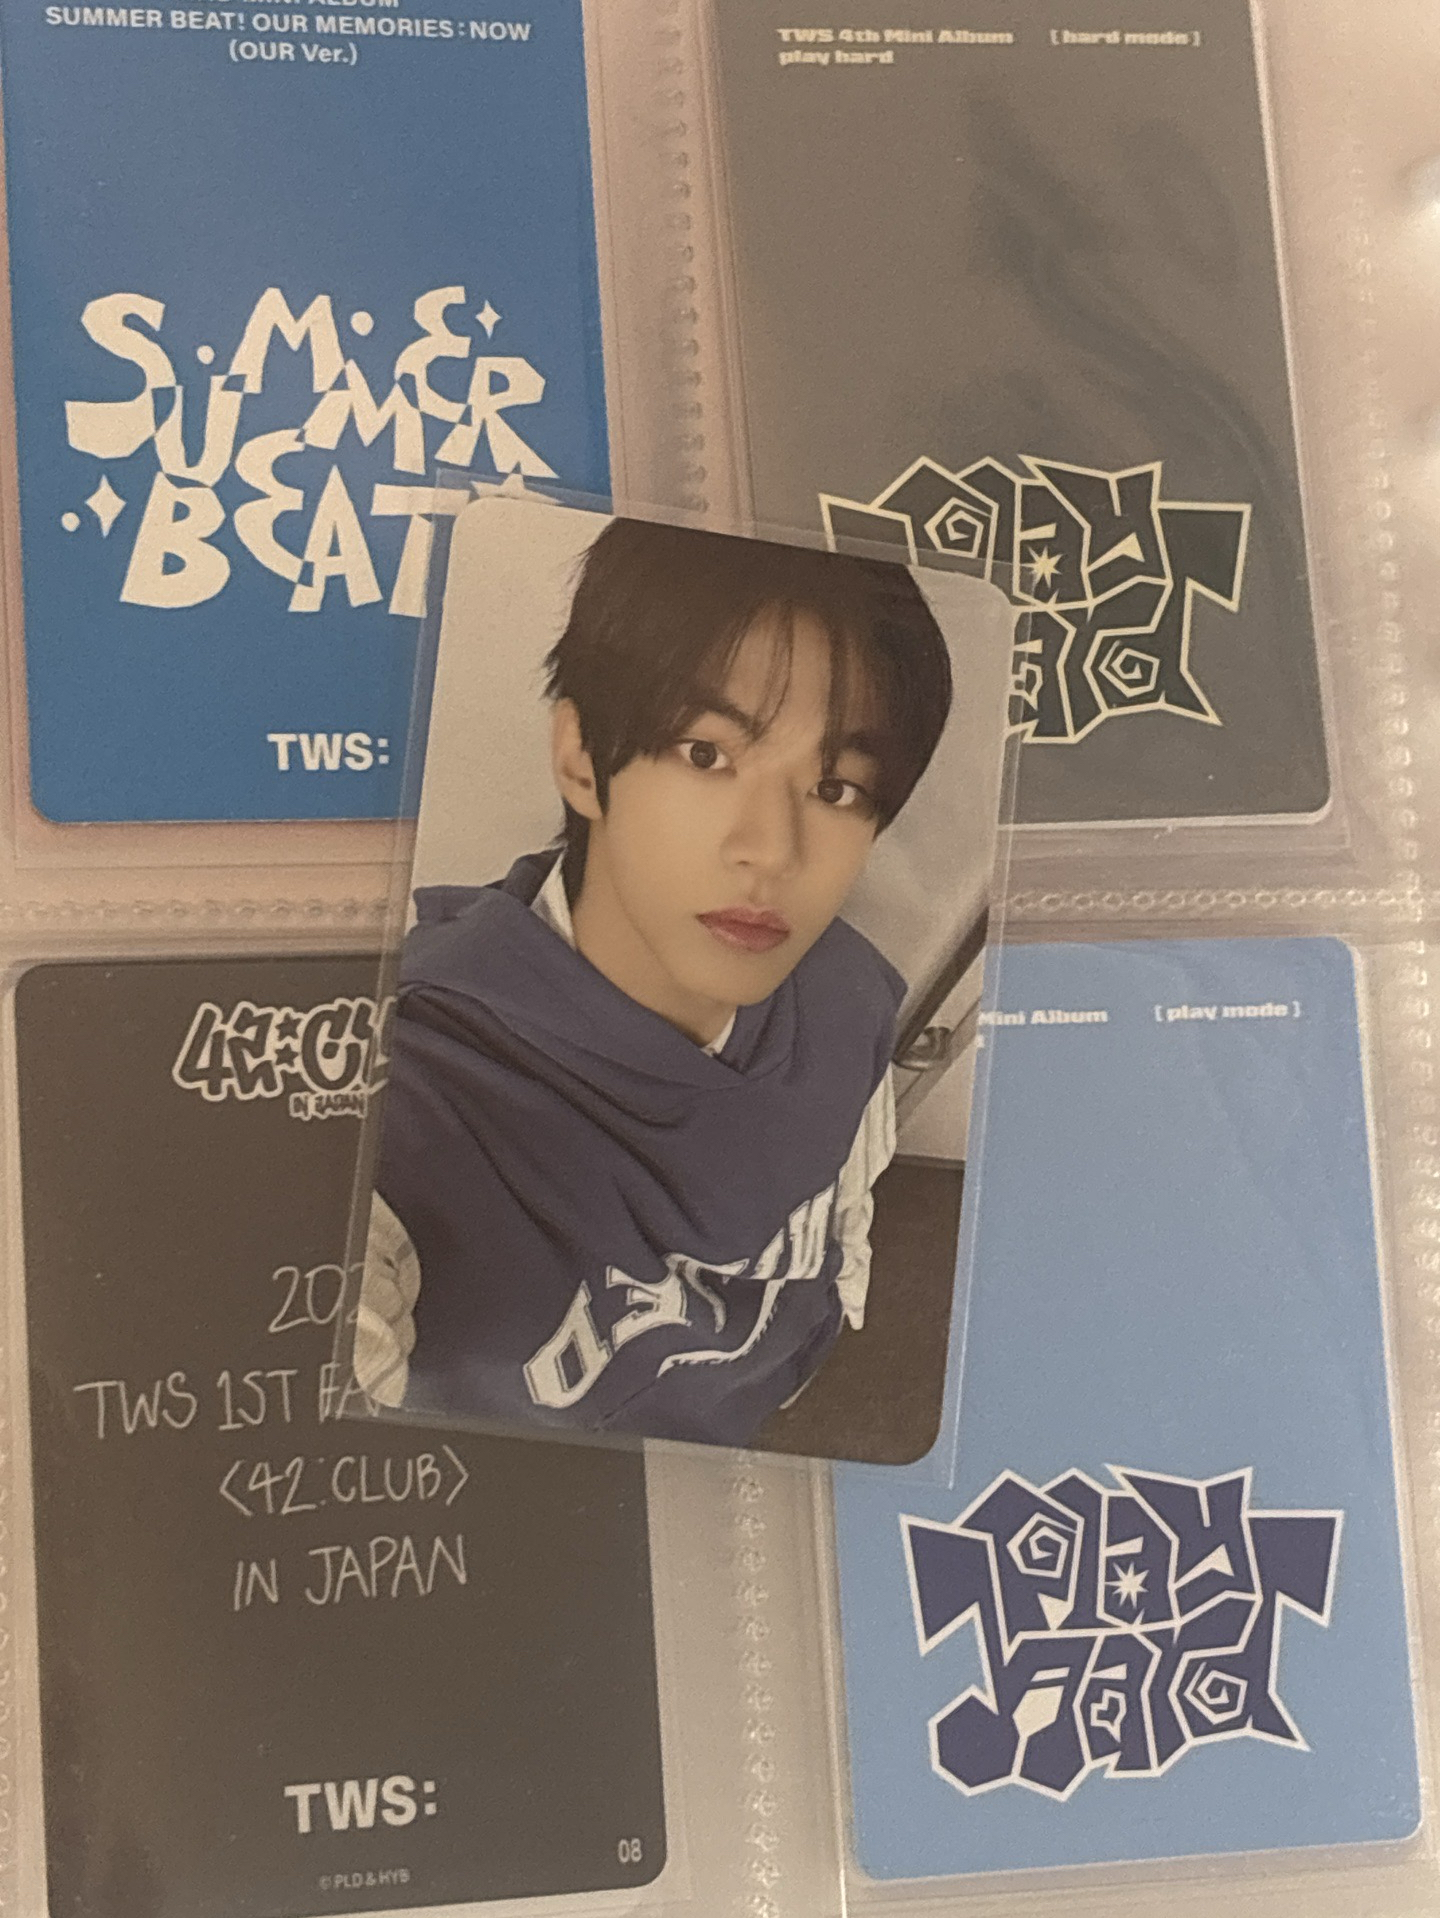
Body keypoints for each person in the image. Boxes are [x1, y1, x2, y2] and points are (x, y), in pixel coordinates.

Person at [356, 517, 953, 1447]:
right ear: (582, 758)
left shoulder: (849, 984)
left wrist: (843, 1291)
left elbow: (851, 1177)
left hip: (772, 1401)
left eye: (836, 788)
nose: (772, 851)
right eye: (707, 755)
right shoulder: (413, 1080)